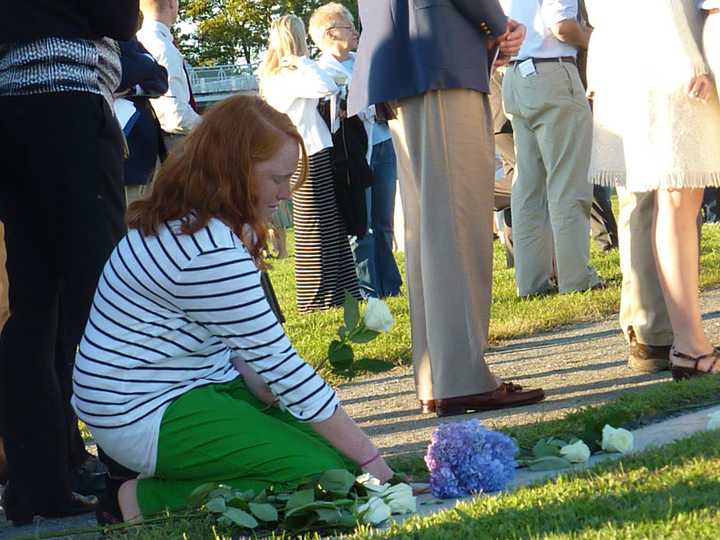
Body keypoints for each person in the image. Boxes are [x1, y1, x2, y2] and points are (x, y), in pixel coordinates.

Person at [72, 95, 394, 522]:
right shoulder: (207, 248)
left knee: (338, 462)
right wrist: (374, 463)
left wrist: (259, 387)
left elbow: (248, 353)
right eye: (277, 179)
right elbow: (284, 369)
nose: (286, 192)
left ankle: (144, 488)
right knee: (330, 479)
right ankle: (140, 501)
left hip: (186, 383)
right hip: (144, 407)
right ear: (236, 172)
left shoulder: (194, 221)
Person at [348, 0, 545, 417]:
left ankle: (438, 378)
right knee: (455, 226)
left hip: (406, 58)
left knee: (429, 229)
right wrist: (496, 23)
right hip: (438, 57)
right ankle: (460, 378)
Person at [0, 0, 138, 524]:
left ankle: (36, 484)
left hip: (10, 111)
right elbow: (122, 17)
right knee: (99, 299)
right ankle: (123, 478)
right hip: (72, 105)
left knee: (31, 309)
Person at [587, 0, 720, 377]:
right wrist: (690, 62)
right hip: (667, 64)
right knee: (677, 198)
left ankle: (688, 342)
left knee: (675, 201)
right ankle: (690, 345)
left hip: (647, 58)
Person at [501, 0, 603, 298]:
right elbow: (561, 26)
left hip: (516, 75)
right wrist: (591, 39)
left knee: (528, 187)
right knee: (568, 182)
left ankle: (531, 282)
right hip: (552, 72)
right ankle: (576, 278)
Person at [259, 15, 360, 313]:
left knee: (330, 223)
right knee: (314, 227)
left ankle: (342, 290)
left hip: (316, 150)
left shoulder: (285, 73)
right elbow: (326, 86)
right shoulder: (287, 75)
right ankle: (317, 297)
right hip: (306, 154)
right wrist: (303, 61)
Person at [309, 2, 403, 299]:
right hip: (354, 155)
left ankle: (391, 285)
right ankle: (368, 289)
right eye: (349, 27)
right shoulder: (320, 72)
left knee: (384, 222)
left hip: (383, 143)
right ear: (330, 33)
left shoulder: (365, 59)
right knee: (363, 226)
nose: (356, 33)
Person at [137, 0, 200, 152]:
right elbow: (176, 116)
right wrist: (214, 125)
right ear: (172, 3)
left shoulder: (138, 41)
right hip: (174, 150)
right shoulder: (163, 47)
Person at [116, 36, 169, 205]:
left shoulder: (124, 36)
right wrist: (145, 62)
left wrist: (132, 88)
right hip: (117, 159)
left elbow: (161, 78)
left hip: (142, 157)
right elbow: (117, 74)